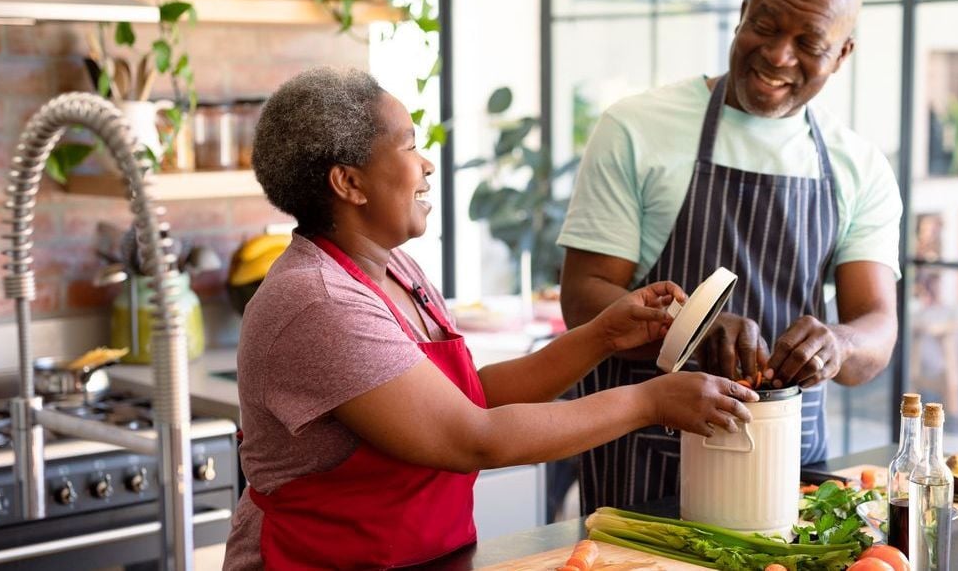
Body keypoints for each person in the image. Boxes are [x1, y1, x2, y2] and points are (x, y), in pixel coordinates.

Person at [221, 67, 758, 570]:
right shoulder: (321, 301)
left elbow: (469, 396)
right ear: (350, 183)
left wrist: (603, 336)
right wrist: (649, 400)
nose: (426, 164)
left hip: (425, 553)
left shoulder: (395, 269)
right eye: (409, 145)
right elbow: (471, 437)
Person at [558, 0, 902, 514]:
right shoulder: (636, 128)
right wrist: (690, 326)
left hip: (789, 462)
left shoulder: (857, 165)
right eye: (764, 26)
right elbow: (583, 297)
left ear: (842, 54)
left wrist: (837, 344)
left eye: (809, 45)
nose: (777, 55)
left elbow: (877, 332)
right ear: (743, 13)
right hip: (645, 459)